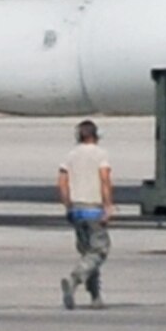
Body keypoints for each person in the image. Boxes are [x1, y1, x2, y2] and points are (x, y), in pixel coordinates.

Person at [58, 118, 113, 310]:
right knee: (99, 250)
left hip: (77, 210)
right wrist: (108, 206)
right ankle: (74, 279)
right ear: (95, 136)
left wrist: (68, 206)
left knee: (87, 253)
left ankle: (95, 296)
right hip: (93, 209)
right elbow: (105, 180)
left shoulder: (70, 155)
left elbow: (62, 183)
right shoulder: (101, 154)